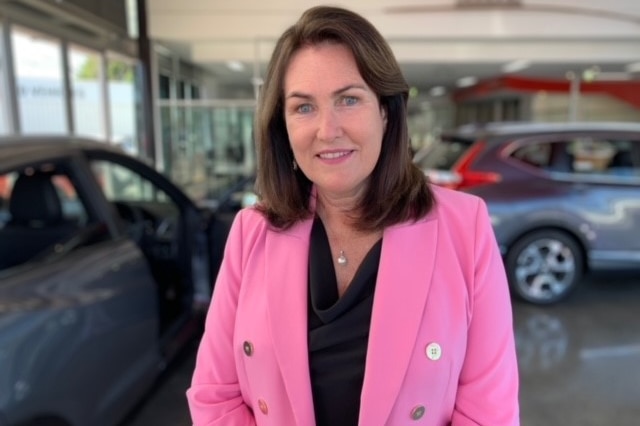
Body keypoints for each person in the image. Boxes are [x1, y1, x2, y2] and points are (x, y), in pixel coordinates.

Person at [187, 5, 519, 425]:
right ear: (282, 127)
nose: (328, 129)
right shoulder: (251, 231)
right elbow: (214, 395)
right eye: (303, 107)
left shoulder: (464, 227)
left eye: (348, 99)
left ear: (385, 110)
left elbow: (490, 413)